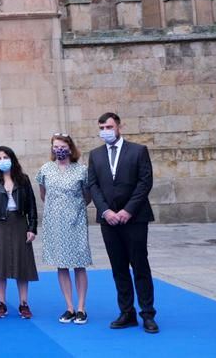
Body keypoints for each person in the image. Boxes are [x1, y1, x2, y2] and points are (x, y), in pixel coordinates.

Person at [86, 113, 158, 334]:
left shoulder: (138, 151)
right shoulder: (95, 155)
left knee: (140, 266)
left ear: (119, 127)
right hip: (109, 220)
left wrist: (128, 210)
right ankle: (127, 312)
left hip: (135, 219)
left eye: (109, 127)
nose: (105, 131)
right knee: (118, 268)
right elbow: (93, 185)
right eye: (101, 127)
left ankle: (148, 314)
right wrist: (105, 211)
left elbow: (145, 182)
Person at [37, 133, 92, 325]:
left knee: (79, 264)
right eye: (56, 147)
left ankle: (81, 308)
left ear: (70, 148)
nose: (59, 150)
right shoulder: (45, 169)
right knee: (61, 264)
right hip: (54, 223)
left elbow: (87, 196)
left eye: (62, 146)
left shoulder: (82, 170)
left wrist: (73, 209)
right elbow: (43, 194)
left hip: (76, 222)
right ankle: (69, 307)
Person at [0, 146, 39, 319]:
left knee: (22, 264)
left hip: (19, 222)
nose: (2, 161)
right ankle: (1, 303)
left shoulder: (23, 179)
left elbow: (32, 205)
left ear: (12, 159)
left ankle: (24, 303)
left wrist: (32, 228)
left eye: (5, 157)